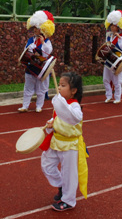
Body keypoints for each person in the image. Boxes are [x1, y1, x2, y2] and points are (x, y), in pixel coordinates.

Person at [39, 72, 87, 212]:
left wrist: (55, 123)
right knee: (47, 165)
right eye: (59, 85)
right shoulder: (62, 104)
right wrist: (51, 123)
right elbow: (58, 119)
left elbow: (73, 119)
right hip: (56, 141)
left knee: (69, 173)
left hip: (69, 145)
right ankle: (61, 185)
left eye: (63, 85)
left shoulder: (75, 107)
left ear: (74, 91)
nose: (59, 88)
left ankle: (68, 200)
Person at [18, 10, 55, 113]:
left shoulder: (47, 41)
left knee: (40, 89)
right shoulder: (31, 40)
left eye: (37, 28)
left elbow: (48, 51)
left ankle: (39, 106)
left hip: (41, 68)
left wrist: (42, 43)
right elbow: (27, 50)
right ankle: (25, 106)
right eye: (34, 27)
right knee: (28, 88)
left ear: (43, 28)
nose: (35, 30)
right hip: (30, 66)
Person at [103, 10, 122, 104]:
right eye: (111, 25)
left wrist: (119, 37)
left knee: (117, 80)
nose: (112, 27)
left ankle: (117, 97)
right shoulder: (108, 36)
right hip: (108, 60)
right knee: (105, 79)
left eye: (114, 25)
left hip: (117, 60)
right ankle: (109, 96)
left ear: (118, 27)